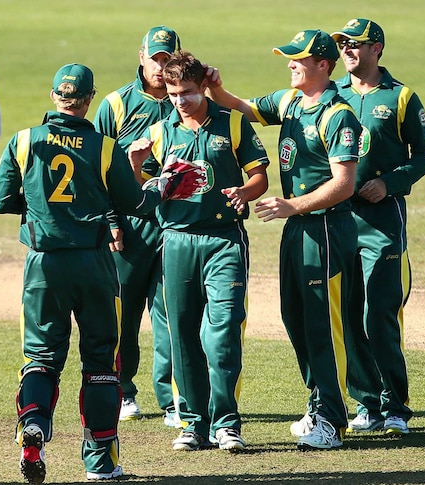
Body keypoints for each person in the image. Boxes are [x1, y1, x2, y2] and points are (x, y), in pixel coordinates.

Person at [0, 63, 197, 483]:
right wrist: (162, 184)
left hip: (43, 265)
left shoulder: (23, 140)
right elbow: (137, 205)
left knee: (41, 360)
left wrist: (42, 210)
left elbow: (1, 200)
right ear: (88, 101)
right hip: (95, 264)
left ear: (54, 96)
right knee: (102, 363)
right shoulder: (104, 148)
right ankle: (101, 464)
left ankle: (33, 429)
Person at [206, 29, 361, 450]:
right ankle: (318, 404)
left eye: (300, 59)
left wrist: (294, 206)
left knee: (322, 327)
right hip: (299, 228)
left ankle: (332, 418)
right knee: (297, 320)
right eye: (290, 57)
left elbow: (345, 184)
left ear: (324, 65)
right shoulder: (291, 101)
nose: (291, 63)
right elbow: (242, 108)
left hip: (326, 229)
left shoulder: (338, 115)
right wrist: (214, 87)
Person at [129, 50, 269, 452]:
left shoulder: (233, 125)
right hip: (175, 241)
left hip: (224, 240)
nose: (180, 101)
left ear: (203, 86)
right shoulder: (160, 132)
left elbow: (259, 175)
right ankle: (193, 424)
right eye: (173, 93)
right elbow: (142, 195)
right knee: (182, 335)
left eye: (187, 92)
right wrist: (137, 167)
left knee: (223, 332)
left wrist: (244, 192)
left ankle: (226, 423)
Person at [329, 18, 425, 436]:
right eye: (342, 45)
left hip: (381, 222)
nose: (348, 51)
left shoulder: (401, 97)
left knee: (381, 315)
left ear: (377, 49)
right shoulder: (331, 94)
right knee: (349, 316)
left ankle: (395, 406)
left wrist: (388, 183)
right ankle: (366, 403)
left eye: (356, 44)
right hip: (338, 221)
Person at [93, 25, 182, 425]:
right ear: (141, 56)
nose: (161, 68)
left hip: (175, 221)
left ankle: (173, 398)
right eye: (155, 59)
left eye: (168, 59)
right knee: (123, 313)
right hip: (129, 225)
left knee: (170, 311)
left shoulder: (186, 100)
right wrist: (111, 220)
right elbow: (95, 170)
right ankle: (122, 390)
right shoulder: (115, 105)